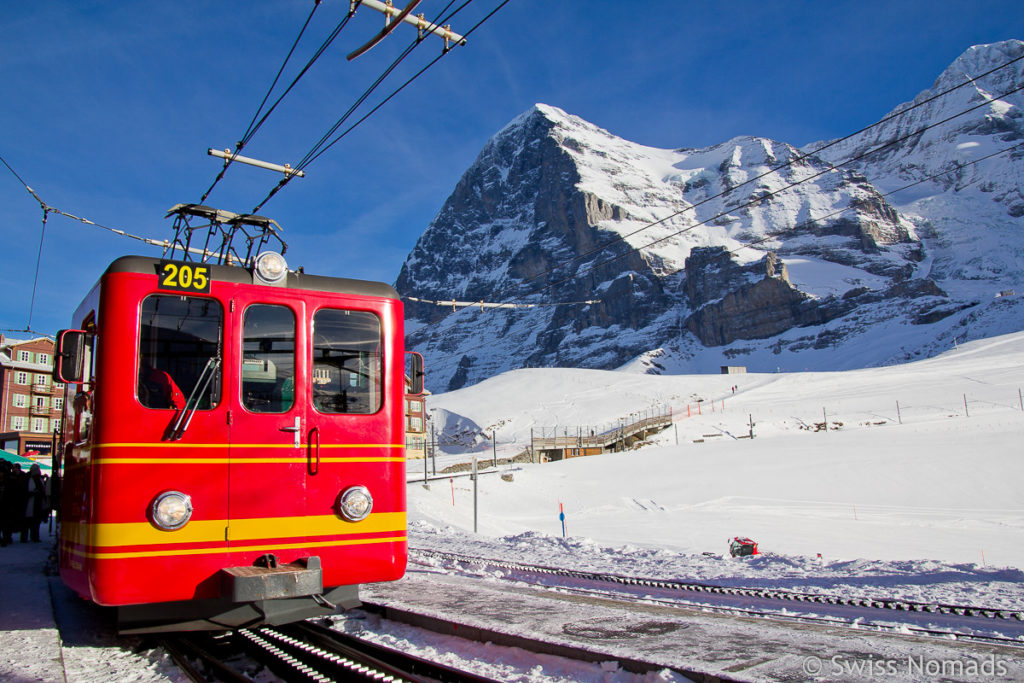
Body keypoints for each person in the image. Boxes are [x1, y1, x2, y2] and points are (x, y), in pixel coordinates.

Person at [21, 464, 48, 543]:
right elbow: (23, 492)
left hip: (37, 503)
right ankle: (26, 537)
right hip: (29, 503)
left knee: (35, 522)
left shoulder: (38, 479)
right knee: (27, 522)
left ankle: (34, 537)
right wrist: (32, 493)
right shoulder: (27, 479)